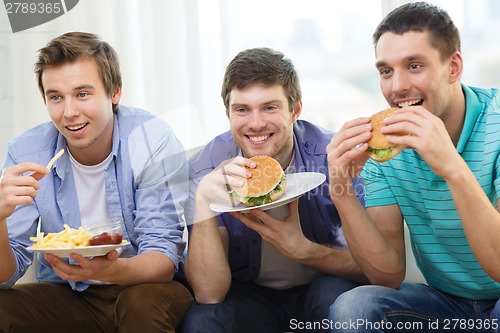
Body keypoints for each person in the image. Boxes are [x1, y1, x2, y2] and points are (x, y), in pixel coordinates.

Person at [0, 32, 193, 333]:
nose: (69, 113)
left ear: (115, 92)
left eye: (82, 94)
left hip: (147, 286)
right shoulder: (25, 152)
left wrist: (110, 271)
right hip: (72, 293)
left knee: (140, 304)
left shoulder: (150, 138)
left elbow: (163, 258)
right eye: (55, 97)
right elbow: (6, 276)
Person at [326, 2, 500, 332]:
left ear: (454, 67)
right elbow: (387, 274)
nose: (397, 87)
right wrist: (342, 191)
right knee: (354, 307)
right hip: (443, 303)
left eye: (414, 65)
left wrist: (451, 165)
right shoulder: (385, 149)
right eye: (386, 71)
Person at [179, 47, 366, 333]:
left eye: (269, 107)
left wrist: (306, 251)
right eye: (242, 110)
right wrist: (204, 200)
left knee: (338, 300)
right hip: (250, 294)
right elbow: (209, 293)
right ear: (228, 113)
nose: (256, 124)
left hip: (322, 283)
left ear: (295, 110)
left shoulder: (333, 158)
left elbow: (371, 267)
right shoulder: (206, 168)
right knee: (202, 321)